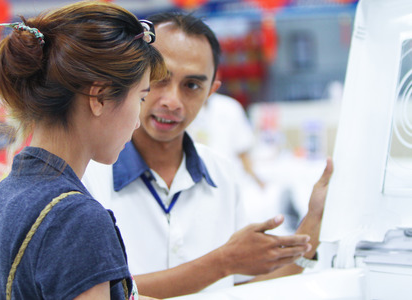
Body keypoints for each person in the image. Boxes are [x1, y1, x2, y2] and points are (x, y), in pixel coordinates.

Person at [83, 11, 333, 299]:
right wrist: (223, 262)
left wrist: (315, 221)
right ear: (135, 76)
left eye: (192, 86)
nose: (172, 102)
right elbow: (103, 293)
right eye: (160, 78)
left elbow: (241, 288)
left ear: (211, 91)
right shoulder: (89, 174)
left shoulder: (221, 173)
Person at [0, 1, 166, 299]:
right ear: (99, 97)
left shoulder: (2, 197)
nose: (137, 122)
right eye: (140, 98)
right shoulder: (77, 219)